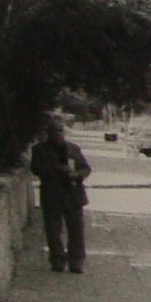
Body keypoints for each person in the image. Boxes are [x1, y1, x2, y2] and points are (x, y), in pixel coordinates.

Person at [29, 115, 92, 274]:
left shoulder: (73, 149)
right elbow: (36, 169)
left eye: (60, 131)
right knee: (53, 231)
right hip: (52, 195)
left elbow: (85, 167)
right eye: (54, 131)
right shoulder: (39, 149)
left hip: (73, 194)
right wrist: (56, 169)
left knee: (76, 230)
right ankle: (57, 260)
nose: (58, 134)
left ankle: (76, 262)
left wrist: (78, 175)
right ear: (48, 133)